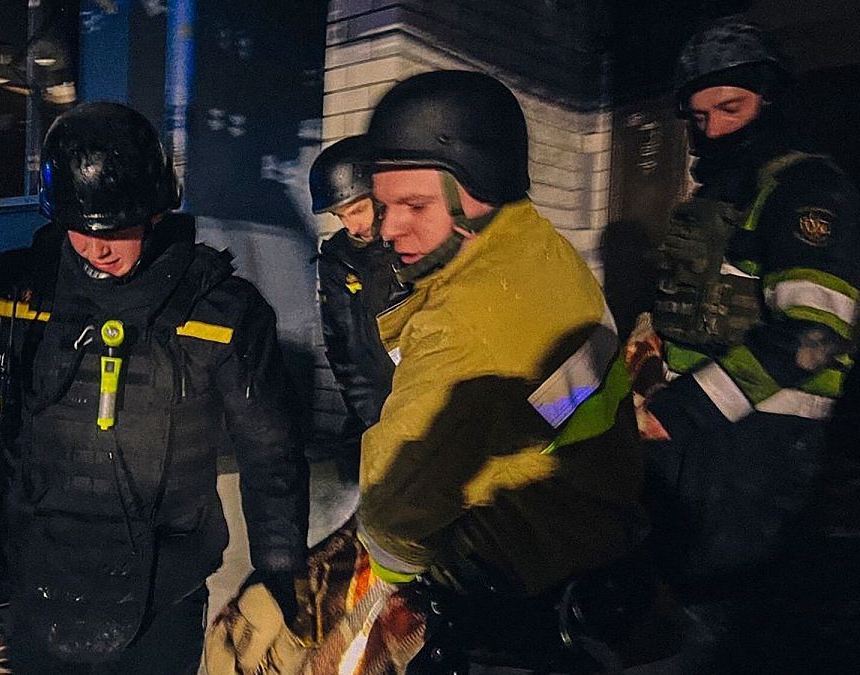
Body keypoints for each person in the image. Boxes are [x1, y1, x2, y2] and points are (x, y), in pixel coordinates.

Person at [0, 102, 309, 674]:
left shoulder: (223, 313)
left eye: (117, 229)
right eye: (80, 227)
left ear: (156, 211)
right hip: (39, 580)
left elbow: (273, 455)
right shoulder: (12, 292)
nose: (98, 248)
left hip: (162, 595)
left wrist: (278, 574)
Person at [355, 70, 672, 672]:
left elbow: (397, 507)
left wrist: (400, 582)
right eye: (383, 204)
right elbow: (547, 410)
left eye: (414, 205)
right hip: (590, 558)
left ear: (482, 186)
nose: (389, 227)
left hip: (509, 602)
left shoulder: (467, 325)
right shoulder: (540, 253)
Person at [630, 16, 860, 672]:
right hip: (691, 453)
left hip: (755, 462)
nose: (715, 129)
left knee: (725, 632)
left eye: (730, 107)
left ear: (771, 99)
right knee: (676, 613)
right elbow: (686, 316)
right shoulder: (717, 200)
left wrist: (677, 409)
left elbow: (814, 337)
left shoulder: (806, 190)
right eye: (699, 116)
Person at [311, 135, 407, 440]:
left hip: (427, 408)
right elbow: (342, 349)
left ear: (380, 198)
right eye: (341, 216)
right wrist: (368, 419)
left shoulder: (414, 248)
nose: (351, 226)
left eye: (356, 210)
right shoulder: (339, 259)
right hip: (375, 417)